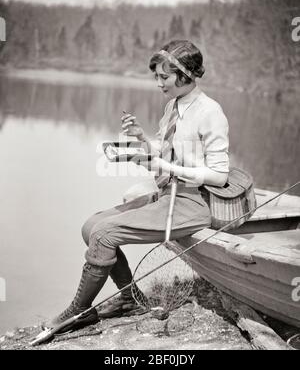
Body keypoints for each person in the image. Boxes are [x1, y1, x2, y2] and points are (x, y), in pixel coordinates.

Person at [46, 39, 229, 331]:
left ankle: (78, 311)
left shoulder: (210, 112)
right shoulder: (174, 106)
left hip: (191, 203)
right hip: (166, 195)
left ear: (185, 74)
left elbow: (219, 174)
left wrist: (164, 167)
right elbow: (166, 150)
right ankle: (130, 299)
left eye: (164, 76)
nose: (158, 83)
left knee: (105, 234)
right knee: (91, 225)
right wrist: (142, 139)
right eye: (156, 76)